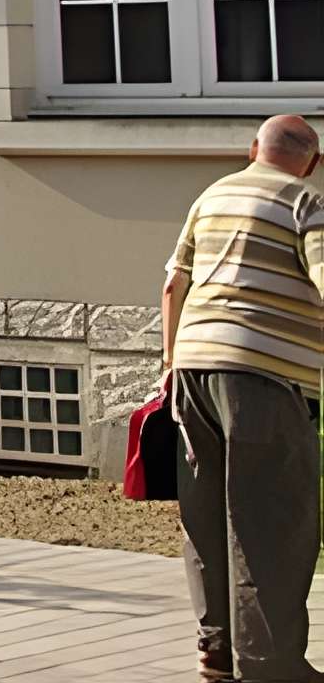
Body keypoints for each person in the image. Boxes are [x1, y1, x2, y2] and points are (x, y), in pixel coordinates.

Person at [167, 112, 324, 682]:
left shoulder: (211, 195)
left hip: (191, 370)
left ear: (252, 147)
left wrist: (169, 363)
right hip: (262, 378)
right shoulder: (307, 202)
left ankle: (216, 651)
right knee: (272, 520)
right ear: (315, 161)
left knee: (205, 514)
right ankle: (269, 666)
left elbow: (173, 281)